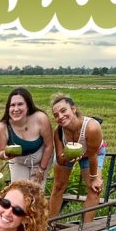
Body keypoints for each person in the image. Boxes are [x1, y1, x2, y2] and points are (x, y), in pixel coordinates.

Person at [48, 94, 106, 222]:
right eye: (56, 115)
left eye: (63, 111)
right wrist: (68, 157)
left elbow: (92, 156)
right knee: (58, 186)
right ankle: (50, 224)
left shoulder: (92, 127)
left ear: (73, 109)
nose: (60, 117)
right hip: (69, 153)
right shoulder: (58, 131)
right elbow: (59, 159)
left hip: (91, 154)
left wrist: (94, 178)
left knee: (94, 188)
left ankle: (86, 229)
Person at [0, 88, 53, 185]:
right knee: (18, 191)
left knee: (36, 192)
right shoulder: (2, 127)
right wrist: (5, 154)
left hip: (41, 159)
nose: (16, 109)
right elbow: (1, 152)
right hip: (18, 162)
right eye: (12, 105)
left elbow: (49, 145)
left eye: (20, 104)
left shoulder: (41, 118)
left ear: (28, 106)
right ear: (8, 108)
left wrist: (42, 169)